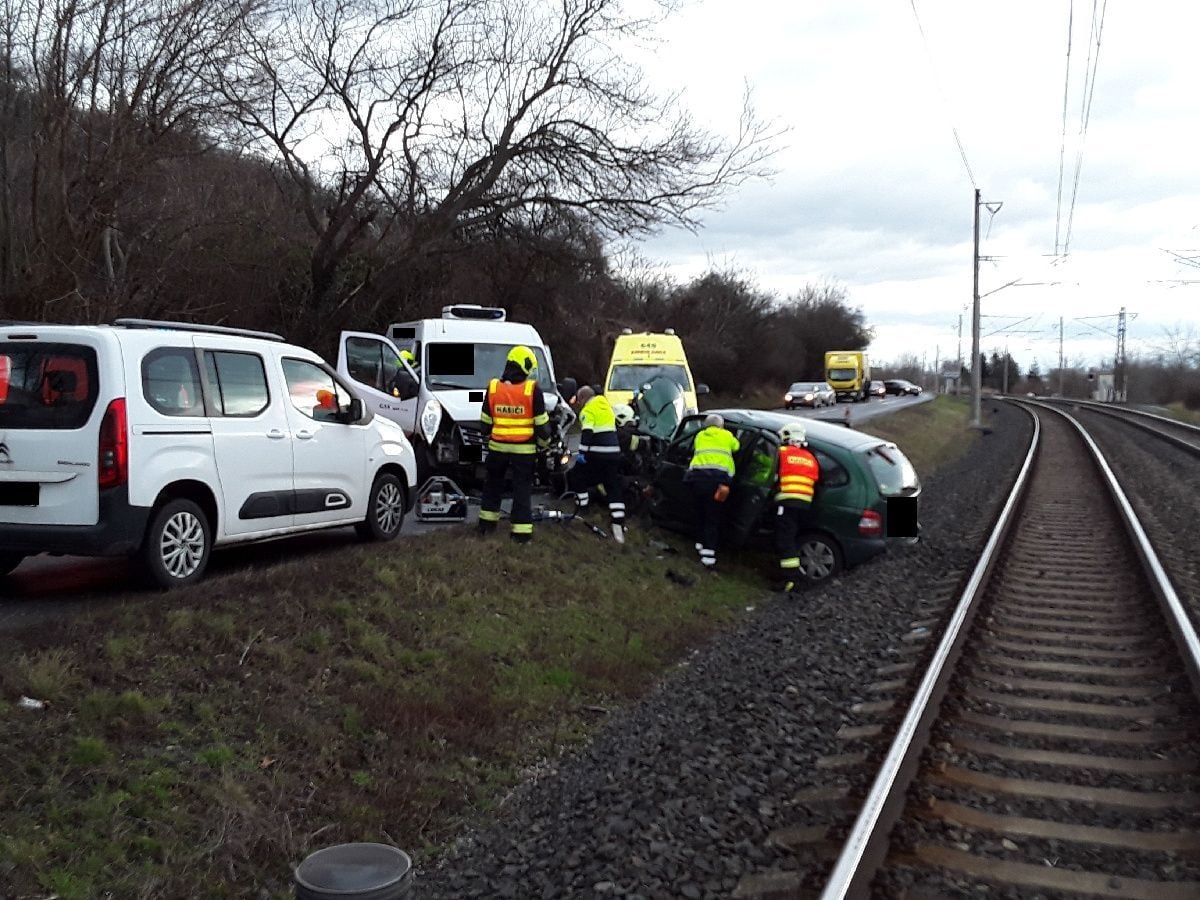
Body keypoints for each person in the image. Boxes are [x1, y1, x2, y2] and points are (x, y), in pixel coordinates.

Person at [478, 345, 550, 543]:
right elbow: (542, 425)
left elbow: (484, 423)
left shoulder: (493, 387)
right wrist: (545, 444)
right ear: (525, 367)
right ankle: (521, 533)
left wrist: (491, 435)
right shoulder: (532, 389)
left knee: (492, 486)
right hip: (524, 451)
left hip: (497, 449)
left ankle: (486, 526)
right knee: (521, 490)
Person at [570, 385, 626, 543]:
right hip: (614, 453)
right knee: (612, 485)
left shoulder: (587, 411)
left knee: (577, 475)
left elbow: (587, 433)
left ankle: (583, 506)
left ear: (582, 399)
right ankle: (618, 519)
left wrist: (582, 453)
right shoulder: (606, 407)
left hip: (598, 453)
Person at [684, 413, 739, 570]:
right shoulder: (727, 435)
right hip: (718, 483)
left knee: (700, 512)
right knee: (712, 516)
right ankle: (708, 556)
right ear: (721, 425)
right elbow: (737, 447)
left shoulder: (700, 436)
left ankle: (700, 544)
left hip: (697, 480)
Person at [774, 422, 821, 593]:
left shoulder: (782, 453)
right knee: (792, 537)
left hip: (787, 501)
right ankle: (792, 576)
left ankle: (790, 580)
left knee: (785, 540)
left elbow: (771, 471)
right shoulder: (810, 458)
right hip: (805, 504)